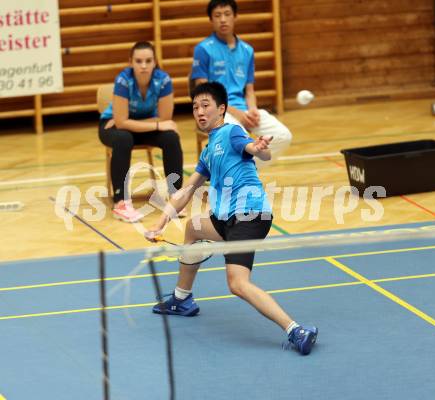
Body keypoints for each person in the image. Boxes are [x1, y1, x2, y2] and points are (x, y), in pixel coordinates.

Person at [145, 82, 317, 355]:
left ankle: (295, 329)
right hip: (227, 218)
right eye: (195, 107)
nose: (199, 112)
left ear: (221, 109)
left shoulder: (231, 132)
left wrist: (260, 148)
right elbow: (187, 190)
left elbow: (255, 149)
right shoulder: (208, 150)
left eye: (205, 106)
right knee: (193, 227)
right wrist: (160, 222)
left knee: (237, 283)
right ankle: (182, 300)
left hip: (249, 215)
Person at [190, 0, 292, 167]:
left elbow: (249, 90)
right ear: (211, 20)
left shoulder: (247, 50)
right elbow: (203, 94)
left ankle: (244, 171)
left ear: (235, 16)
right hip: (217, 111)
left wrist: (252, 110)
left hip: (243, 109)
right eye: (217, 15)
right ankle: (240, 174)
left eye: (227, 14)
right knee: (243, 139)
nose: (223, 19)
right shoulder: (203, 49)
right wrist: (237, 113)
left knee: (283, 135)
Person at [99, 41, 184, 223]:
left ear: (155, 62)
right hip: (111, 126)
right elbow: (121, 124)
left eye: (148, 60)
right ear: (130, 62)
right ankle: (121, 203)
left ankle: (175, 198)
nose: (143, 65)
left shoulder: (163, 80)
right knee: (123, 138)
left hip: (140, 126)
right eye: (138, 61)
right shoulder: (123, 80)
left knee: (171, 137)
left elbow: (165, 121)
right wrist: (152, 124)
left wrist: (131, 122)